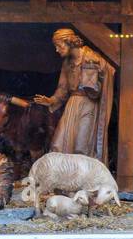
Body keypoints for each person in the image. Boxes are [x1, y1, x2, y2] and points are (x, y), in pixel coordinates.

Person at [34, 27, 111, 162]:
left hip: (88, 105)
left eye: (58, 46)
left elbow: (96, 91)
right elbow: (63, 88)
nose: (57, 50)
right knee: (58, 142)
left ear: (68, 42)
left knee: (82, 145)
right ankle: (60, 175)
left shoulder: (91, 58)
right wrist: (51, 100)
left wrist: (93, 74)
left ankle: (81, 178)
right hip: (72, 104)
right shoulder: (67, 63)